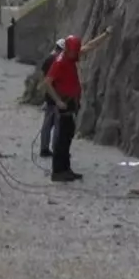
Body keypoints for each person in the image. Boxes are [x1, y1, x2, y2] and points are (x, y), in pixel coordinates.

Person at [41, 29, 112, 183]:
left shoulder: (71, 56)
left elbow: (90, 46)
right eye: (74, 51)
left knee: (67, 136)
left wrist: (105, 34)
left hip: (71, 102)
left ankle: (65, 169)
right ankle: (58, 171)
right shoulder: (59, 62)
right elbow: (47, 82)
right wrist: (58, 101)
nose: (76, 54)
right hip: (64, 102)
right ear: (67, 49)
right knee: (62, 138)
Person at [37, 38, 65, 159]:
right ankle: (56, 149)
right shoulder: (59, 61)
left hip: (49, 96)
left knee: (47, 124)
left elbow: (43, 76)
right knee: (58, 125)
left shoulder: (48, 59)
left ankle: (44, 148)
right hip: (58, 96)